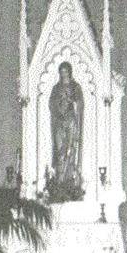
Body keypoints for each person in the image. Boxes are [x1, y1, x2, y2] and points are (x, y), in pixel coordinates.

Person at [48, 62, 84, 197]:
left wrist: (71, 101)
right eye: (61, 72)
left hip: (71, 122)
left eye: (65, 71)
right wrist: (59, 104)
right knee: (59, 150)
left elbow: (79, 105)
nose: (63, 74)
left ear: (69, 72)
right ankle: (59, 180)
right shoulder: (56, 88)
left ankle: (69, 179)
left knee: (70, 150)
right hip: (59, 122)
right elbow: (51, 104)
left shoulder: (75, 87)